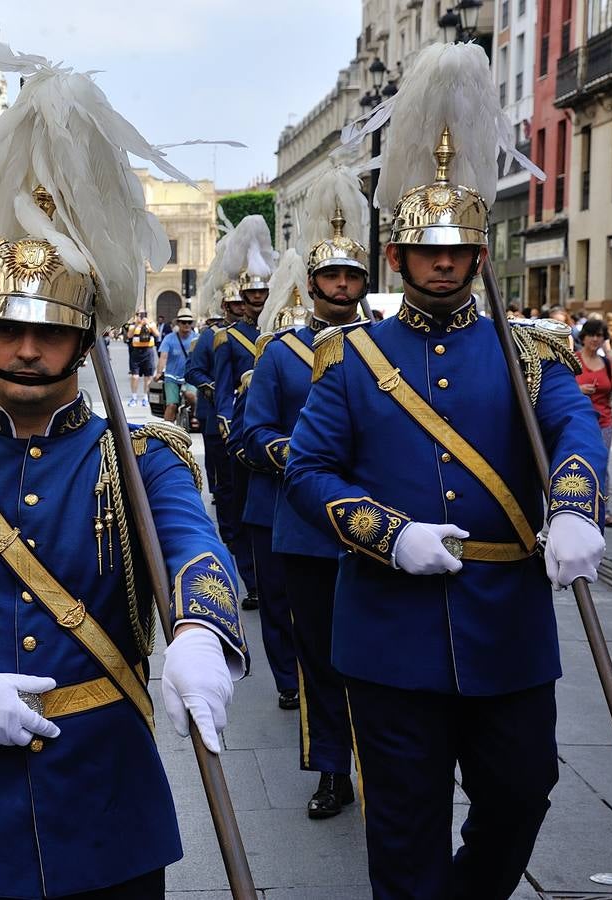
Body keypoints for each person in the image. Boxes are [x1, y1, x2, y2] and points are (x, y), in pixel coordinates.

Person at [0, 43, 247, 898]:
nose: (28, 348)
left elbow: (195, 549)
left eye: (53, 330)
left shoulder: (139, 458)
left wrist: (203, 632)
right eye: (9, 328)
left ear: (84, 336)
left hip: (108, 811)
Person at [288, 43, 608, 897]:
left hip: (507, 631)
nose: (442, 262)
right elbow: (310, 472)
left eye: (458, 249)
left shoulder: (528, 353)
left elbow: (576, 427)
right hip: (390, 637)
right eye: (427, 250)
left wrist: (575, 505)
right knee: (403, 825)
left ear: (477, 256)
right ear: (397, 257)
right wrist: (388, 536)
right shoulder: (351, 361)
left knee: (521, 791)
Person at [235, 166, 368, 819]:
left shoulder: (384, 349)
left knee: (378, 657)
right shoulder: (281, 353)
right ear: (313, 283)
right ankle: (331, 771)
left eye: (352, 276)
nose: (341, 286)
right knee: (319, 660)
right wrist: (301, 456)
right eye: (331, 276)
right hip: (306, 527)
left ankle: (384, 760)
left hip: (379, 529)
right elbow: (251, 431)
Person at [225, 247, 306, 712]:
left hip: (329, 504)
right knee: (277, 600)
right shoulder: (263, 364)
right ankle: (286, 678)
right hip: (272, 498)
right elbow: (244, 438)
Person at [209, 214, 280, 618]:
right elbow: (222, 390)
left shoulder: (282, 334)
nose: (256, 299)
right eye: (251, 294)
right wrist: (227, 428)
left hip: (274, 432)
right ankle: (252, 579)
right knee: (241, 513)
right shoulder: (227, 337)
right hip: (240, 434)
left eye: (261, 292)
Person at [576, 319, 612, 527]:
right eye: (591, 335)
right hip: (579, 420)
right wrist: (578, 390)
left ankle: (603, 510)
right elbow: (561, 388)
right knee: (578, 464)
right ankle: (578, 507)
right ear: (583, 337)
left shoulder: (606, 363)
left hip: (603, 421)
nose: (595, 339)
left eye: (600, 335)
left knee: (601, 466)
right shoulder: (574, 360)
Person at [185, 303, 231, 507]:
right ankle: (215, 487)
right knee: (215, 457)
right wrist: (217, 390)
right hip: (211, 407)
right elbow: (193, 370)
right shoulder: (208, 337)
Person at [155, 308, 197, 424]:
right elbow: (163, 357)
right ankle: (166, 431)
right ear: (178, 323)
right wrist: (159, 373)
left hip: (190, 376)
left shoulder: (197, 338)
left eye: (189, 322)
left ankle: (194, 415)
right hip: (172, 377)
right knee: (172, 405)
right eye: (183, 322)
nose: (186, 325)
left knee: (191, 396)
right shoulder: (169, 338)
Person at [125, 309, 158, 407]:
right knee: (135, 376)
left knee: (148, 376)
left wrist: (148, 325)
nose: (142, 316)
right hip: (136, 352)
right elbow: (129, 335)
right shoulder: (133, 325)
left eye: (144, 314)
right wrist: (136, 324)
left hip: (148, 351)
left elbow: (157, 334)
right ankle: (134, 397)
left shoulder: (151, 324)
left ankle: (145, 398)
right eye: (140, 314)